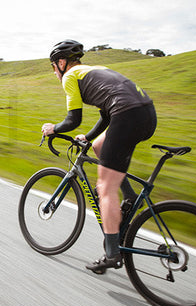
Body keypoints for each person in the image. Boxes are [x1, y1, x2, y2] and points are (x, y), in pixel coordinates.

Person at [40, 40, 158, 274]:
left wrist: (53, 128)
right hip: (146, 114)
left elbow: (73, 120)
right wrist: (89, 137)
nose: (55, 71)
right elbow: (106, 116)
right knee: (99, 147)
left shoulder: (70, 77)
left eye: (53, 66)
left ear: (61, 63)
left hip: (127, 115)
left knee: (105, 188)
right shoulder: (96, 70)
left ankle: (112, 253)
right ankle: (131, 197)